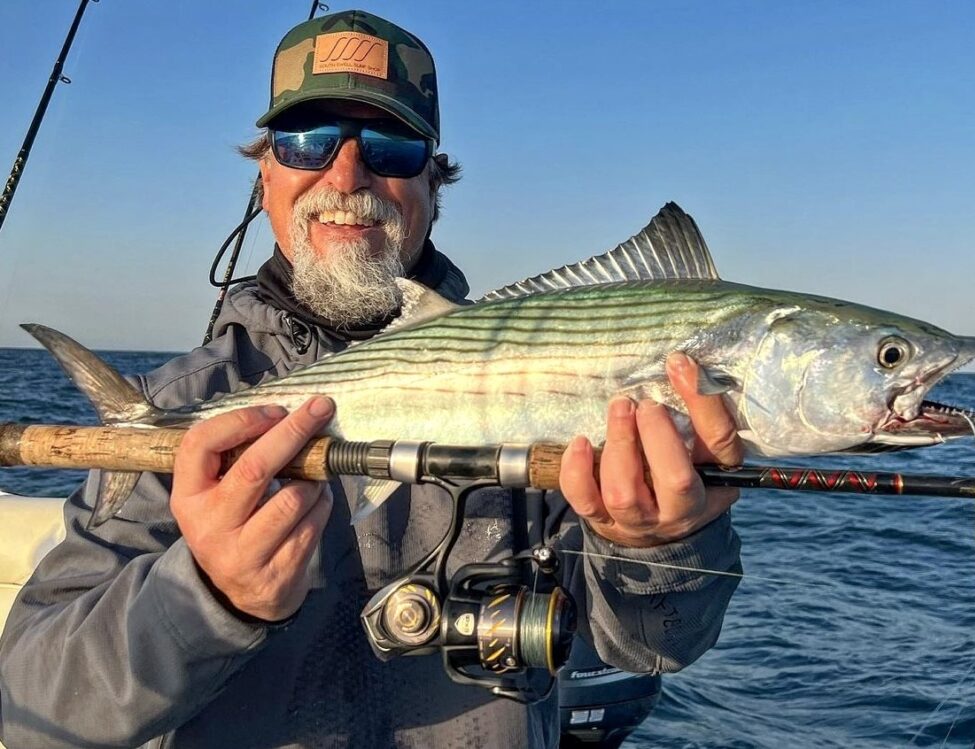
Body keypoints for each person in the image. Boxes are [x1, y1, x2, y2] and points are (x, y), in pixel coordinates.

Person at [0, 10, 742, 749]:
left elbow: (653, 648)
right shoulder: (180, 409)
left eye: (389, 146)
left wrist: (658, 547)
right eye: (307, 141)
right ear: (267, 176)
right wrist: (203, 596)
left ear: (434, 182)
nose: (347, 176)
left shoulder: (547, 374)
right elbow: (30, 706)